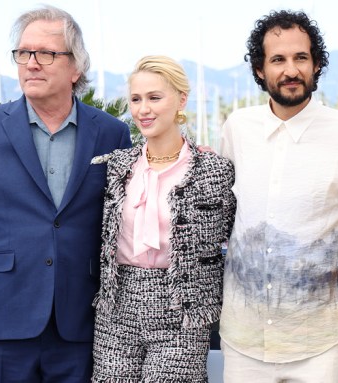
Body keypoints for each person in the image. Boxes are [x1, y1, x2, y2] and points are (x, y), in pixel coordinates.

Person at [0, 5, 131, 382]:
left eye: (46, 53)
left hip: (81, 323)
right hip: (2, 319)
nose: (31, 64)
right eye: (23, 53)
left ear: (76, 68)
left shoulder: (111, 134)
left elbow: (121, 228)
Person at [219, 10, 338, 382]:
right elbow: (228, 216)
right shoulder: (237, 129)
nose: (291, 70)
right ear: (259, 70)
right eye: (278, 59)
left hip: (322, 341)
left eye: (301, 58)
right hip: (243, 338)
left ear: (316, 66)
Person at [91, 55, 236, 382]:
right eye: (136, 99)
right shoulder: (116, 167)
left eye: (155, 98)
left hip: (183, 311)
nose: (144, 109)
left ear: (181, 99)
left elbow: (229, 233)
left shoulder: (214, 170)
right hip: (117, 307)